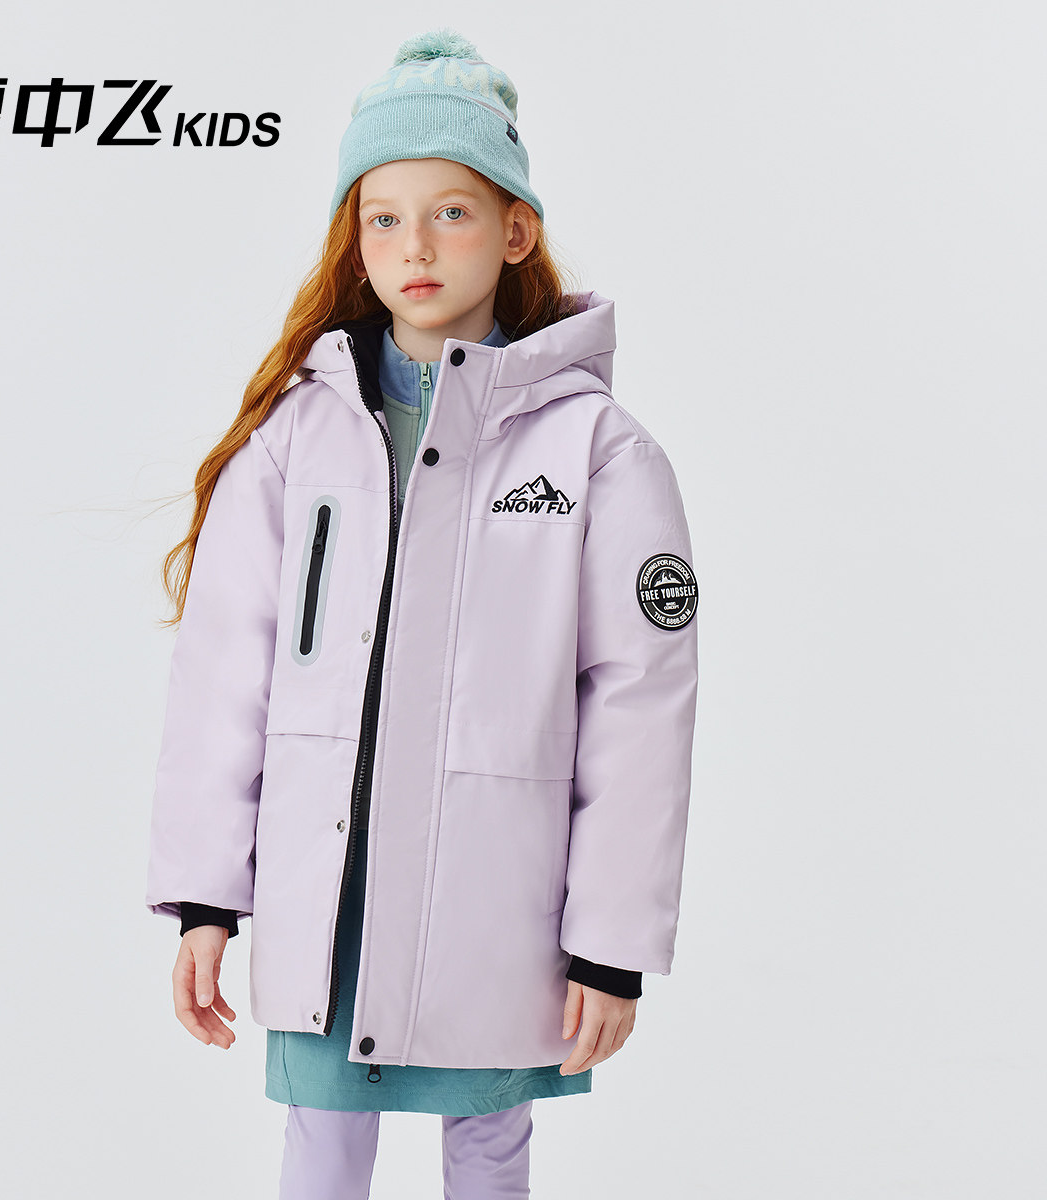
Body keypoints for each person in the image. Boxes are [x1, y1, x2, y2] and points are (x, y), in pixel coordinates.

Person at [145, 27, 700, 1200]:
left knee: (489, 1145)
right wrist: (206, 896)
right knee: (321, 1141)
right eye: (384, 218)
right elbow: (225, 671)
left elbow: (640, 705)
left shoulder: (598, 452)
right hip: (326, 891)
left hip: (498, 899)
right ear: (356, 240)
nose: (415, 246)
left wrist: (611, 942)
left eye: (452, 212)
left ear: (515, 230)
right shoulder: (294, 439)